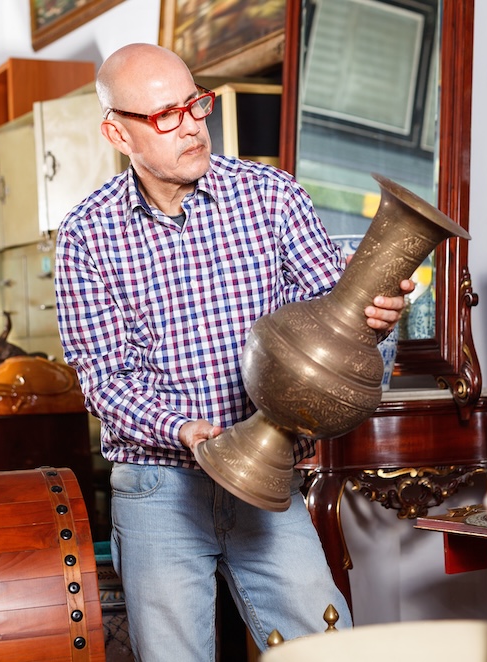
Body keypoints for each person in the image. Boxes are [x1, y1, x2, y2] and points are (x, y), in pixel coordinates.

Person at [54, 42, 414, 661]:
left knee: (328, 649)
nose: (193, 124)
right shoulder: (86, 236)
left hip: (272, 480)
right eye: (166, 115)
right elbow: (106, 381)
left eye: (196, 103)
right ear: (118, 132)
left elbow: (332, 325)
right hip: (159, 488)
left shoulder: (272, 196)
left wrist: (374, 321)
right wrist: (189, 432)